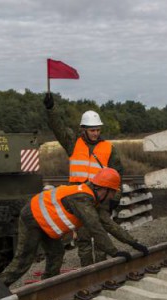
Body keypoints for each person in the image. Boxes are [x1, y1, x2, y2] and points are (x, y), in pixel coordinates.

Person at [0, 168, 148, 287]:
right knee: (23, 260)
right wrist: (115, 252)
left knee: (56, 252)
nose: (111, 198)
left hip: (44, 223)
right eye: (112, 193)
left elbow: (109, 224)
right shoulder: (82, 198)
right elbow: (95, 228)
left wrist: (134, 243)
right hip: (32, 218)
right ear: (104, 189)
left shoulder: (92, 200)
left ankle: (47, 285)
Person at [43, 93, 124, 266]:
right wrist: (51, 110)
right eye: (92, 130)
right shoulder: (72, 143)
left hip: (101, 200)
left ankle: (101, 270)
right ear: (84, 129)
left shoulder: (109, 148)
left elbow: (117, 176)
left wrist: (115, 198)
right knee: (84, 239)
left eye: (98, 130)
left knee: (101, 238)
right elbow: (58, 127)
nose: (96, 133)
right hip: (80, 199)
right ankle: (87, 271)